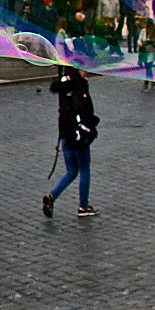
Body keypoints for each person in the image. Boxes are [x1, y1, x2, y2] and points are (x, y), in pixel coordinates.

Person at [44, 64, 100, 218]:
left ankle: (52, 196)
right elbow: (86, 111)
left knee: (71, 171)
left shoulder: (63, 87)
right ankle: (83, 206)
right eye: (83, 69)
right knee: (84, 170)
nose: (86, 71)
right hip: (79, 136)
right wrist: (92, 125)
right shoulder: (79, 87)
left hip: (65, 135)